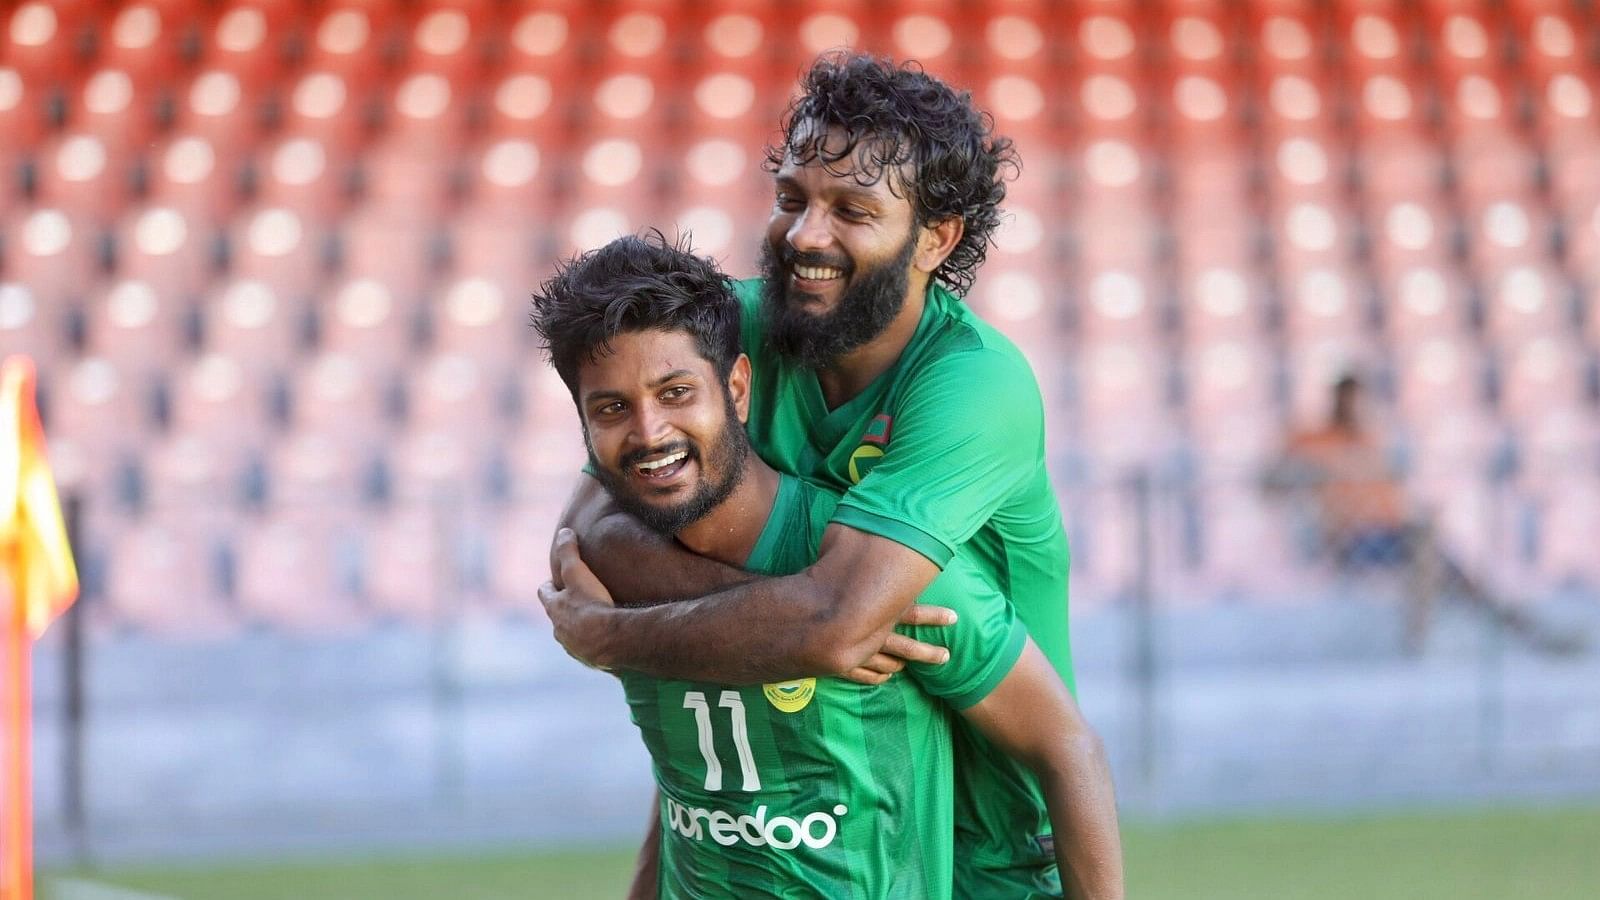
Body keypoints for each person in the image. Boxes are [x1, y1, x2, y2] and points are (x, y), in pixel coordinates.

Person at [541, 54, 1123, 897]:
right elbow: (592, 524)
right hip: (834, 801)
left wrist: (614, 636)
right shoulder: (737, 328)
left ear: (937, 237)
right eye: (792, 199)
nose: (805, 234)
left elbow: (837, 622)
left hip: (995, 850)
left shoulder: (975, 387)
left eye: (851, 209)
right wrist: (780, 616)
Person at [1272, 374, 1581, 654]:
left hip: (1396, 535)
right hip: (1353, 541)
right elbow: (1269, 482)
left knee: (1454, 571)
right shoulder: (1312, 441)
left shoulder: (1371, 440)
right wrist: (1305, 479)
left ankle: (1532, 635)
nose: (1354, 409)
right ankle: (1421, 644)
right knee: (1433, 557)